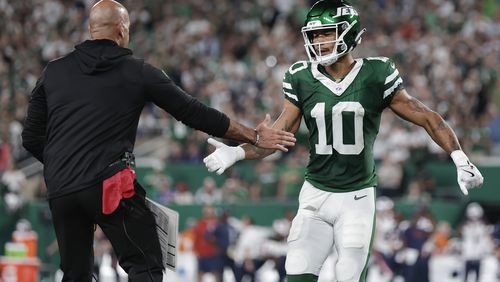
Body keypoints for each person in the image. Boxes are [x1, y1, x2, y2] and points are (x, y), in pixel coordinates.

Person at [202, 1, 484, 281]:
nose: (319, 41)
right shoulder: (301, 77)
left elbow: (427, 117)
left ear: (349, 33)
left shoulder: (376, 73)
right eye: (315, 35)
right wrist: (237, 154)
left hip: (357, 198)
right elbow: (276, 137)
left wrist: (460, 158)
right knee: (298, 270)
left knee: (348, 273)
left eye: (327, 33)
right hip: (315, 194)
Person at [21, 1, 295, 281]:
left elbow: (30, 137)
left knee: (75, 274)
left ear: (90, 29)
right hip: (108, 186)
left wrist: (68, 167)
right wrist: (254, 135)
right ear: (122, 29)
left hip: (61, 189)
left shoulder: (53, 71)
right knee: (145, 266)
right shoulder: (137, 71)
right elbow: (192, 112)